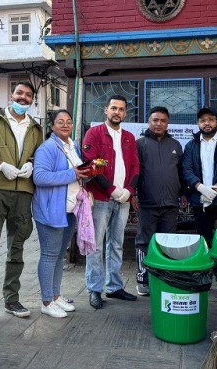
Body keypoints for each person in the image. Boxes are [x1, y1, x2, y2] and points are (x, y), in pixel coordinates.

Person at [0, 81, 43, 320]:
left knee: (17, 249)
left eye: (28, 95)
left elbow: (39, 154)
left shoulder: (36, 128)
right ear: (11, 95)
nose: (23, 98)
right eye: (19, 93)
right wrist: (0, 164)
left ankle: (11, 299)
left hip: (23, 192)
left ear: (32, 100)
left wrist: (31, 165)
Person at [82, 95, 140, 309]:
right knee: (95, 245)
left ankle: (114, 286)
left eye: (121, 109)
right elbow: (91, 165)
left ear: (125, 113)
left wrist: (129, 191)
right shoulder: (94, 133)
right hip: (101, 198)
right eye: (113, 108)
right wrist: (112, 190)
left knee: (116, 244)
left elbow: (135, 166)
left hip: (123, 199)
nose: (117, 112)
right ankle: (95, 289)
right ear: (106, 110)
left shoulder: (129, 137)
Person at [32, 110, 88, 318]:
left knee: (58, 255)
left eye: (69, 122)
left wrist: (88, 173)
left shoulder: (71, 146)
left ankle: (55, 296)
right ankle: (46, 301)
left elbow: (77, 173)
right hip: (51, 209)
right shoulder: (47, 148)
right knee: (49, 255)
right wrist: (72, 173)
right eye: (60, 122)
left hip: (69, 209)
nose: (65, 125)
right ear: (52, 126)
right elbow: (40, 177)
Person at [133, 106, 188, 296]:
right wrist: (133, 194)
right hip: (148, 203)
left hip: (171, 204)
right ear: (149, 122)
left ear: (167, 123)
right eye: (155, 120)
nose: (159, 124)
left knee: (168, 243)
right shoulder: (140, 144)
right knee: (144, 242)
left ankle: (165, 278)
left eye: (163, 121)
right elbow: (135, 172)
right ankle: (143, 280)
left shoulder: (175, 145)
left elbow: (181, 173)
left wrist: (184, 194)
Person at [182, 106, 217, 247]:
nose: (207, 123)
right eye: (203, 120)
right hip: (200, 200)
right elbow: (186, 169)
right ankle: (206, 268)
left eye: (210, 120)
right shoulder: (191, 145)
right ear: (198, 123)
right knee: (204, 239)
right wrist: (201, 188)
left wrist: (215, 189)